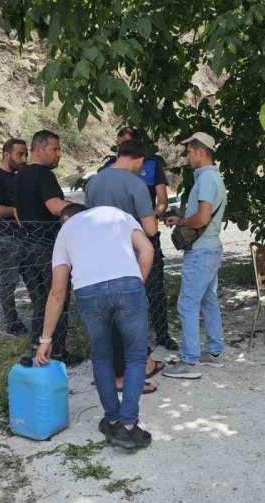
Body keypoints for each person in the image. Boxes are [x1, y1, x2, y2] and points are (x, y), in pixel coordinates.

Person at [36, 203, 154, 449]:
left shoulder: (66, 231)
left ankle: (111, 419)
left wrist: (45, 340)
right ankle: (129, 426)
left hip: (89, 292)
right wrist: (136, 284)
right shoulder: (115, 214)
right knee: (135, 356)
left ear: (68, 217)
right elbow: (147, 249)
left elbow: (58, 292)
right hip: (128, 284)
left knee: (101, 357)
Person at [87, 138, 164, 393]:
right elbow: (150, 228)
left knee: (107, 319)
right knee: (131, 318)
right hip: (128, 260)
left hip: (98, 259)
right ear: (140, 160)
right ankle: (127, 377)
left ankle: (127, 368)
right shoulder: (136, 184)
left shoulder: (94, 181)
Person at [100, 127, 178, 351]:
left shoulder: (151, 166)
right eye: (119, 143)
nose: (122, 147)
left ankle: (162, 333)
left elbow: (162, 200)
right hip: (118, 241)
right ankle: (132, 340)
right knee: (124, 291)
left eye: (126, 143)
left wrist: (149, 218)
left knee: (155, 288)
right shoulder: (106, 169)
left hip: (146, 235)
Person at [12, 129, 83, 367]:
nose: (59, 154)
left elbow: (17, 212)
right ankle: (58, 351)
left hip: (25, 247)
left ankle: (37, 347)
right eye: (55, 149)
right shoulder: (43, 175)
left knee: (39, 301)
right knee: (57, 299)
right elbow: (54, 207)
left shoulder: (19, 174)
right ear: (39, 150)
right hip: (47, 248)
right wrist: (82, 211)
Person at [162, 132, 228, 379]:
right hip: (209, 248)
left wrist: (180, 221)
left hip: (201, 251)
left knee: (187, 303)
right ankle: (213, 353)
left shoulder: (207, 178)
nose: (187, 156)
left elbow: (201, 218)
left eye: (189, 151)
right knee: (208, 301)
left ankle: (189, 362)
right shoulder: (211, 177)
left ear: (201, 152)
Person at [0, 138, 29, 336]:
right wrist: (15, 211)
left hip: (23, 236)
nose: (24, 159)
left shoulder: (19, 177)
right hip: (4, 236)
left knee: (33, 278)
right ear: (6, 154)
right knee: (9, 281)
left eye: (26, 154)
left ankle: (42, 317)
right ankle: (12, 322)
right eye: (20, 154)